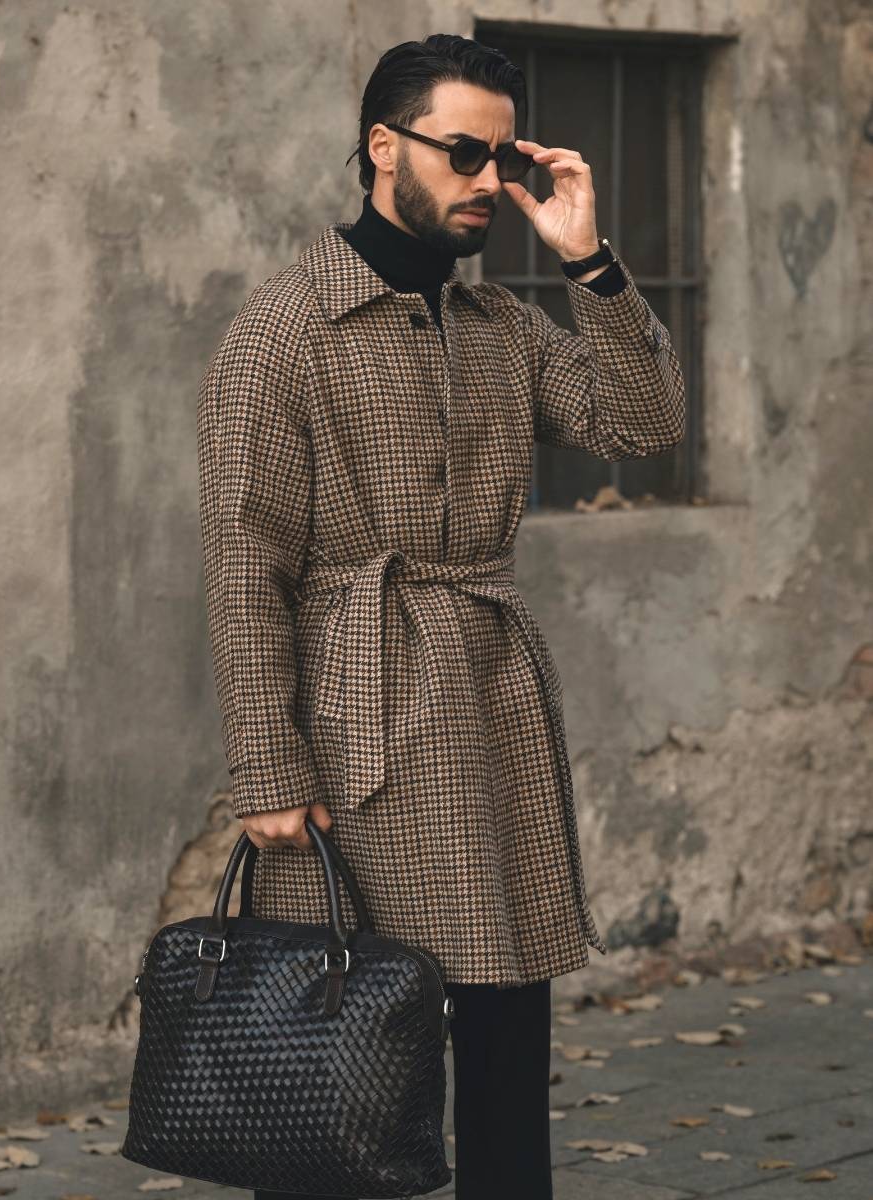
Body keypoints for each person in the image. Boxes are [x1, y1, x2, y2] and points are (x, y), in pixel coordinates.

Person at [197, 32, 685, 1200]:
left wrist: (592, 262)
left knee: (511, 1030)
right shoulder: (285, 331)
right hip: (360, 722)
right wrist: (268, 766)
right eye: (463, 151)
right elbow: (243, 558)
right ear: (382, 146)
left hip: (493, 703)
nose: (487, 180)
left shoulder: (503, 327)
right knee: (350, 1036)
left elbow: (646, 423)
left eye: (501, 156)